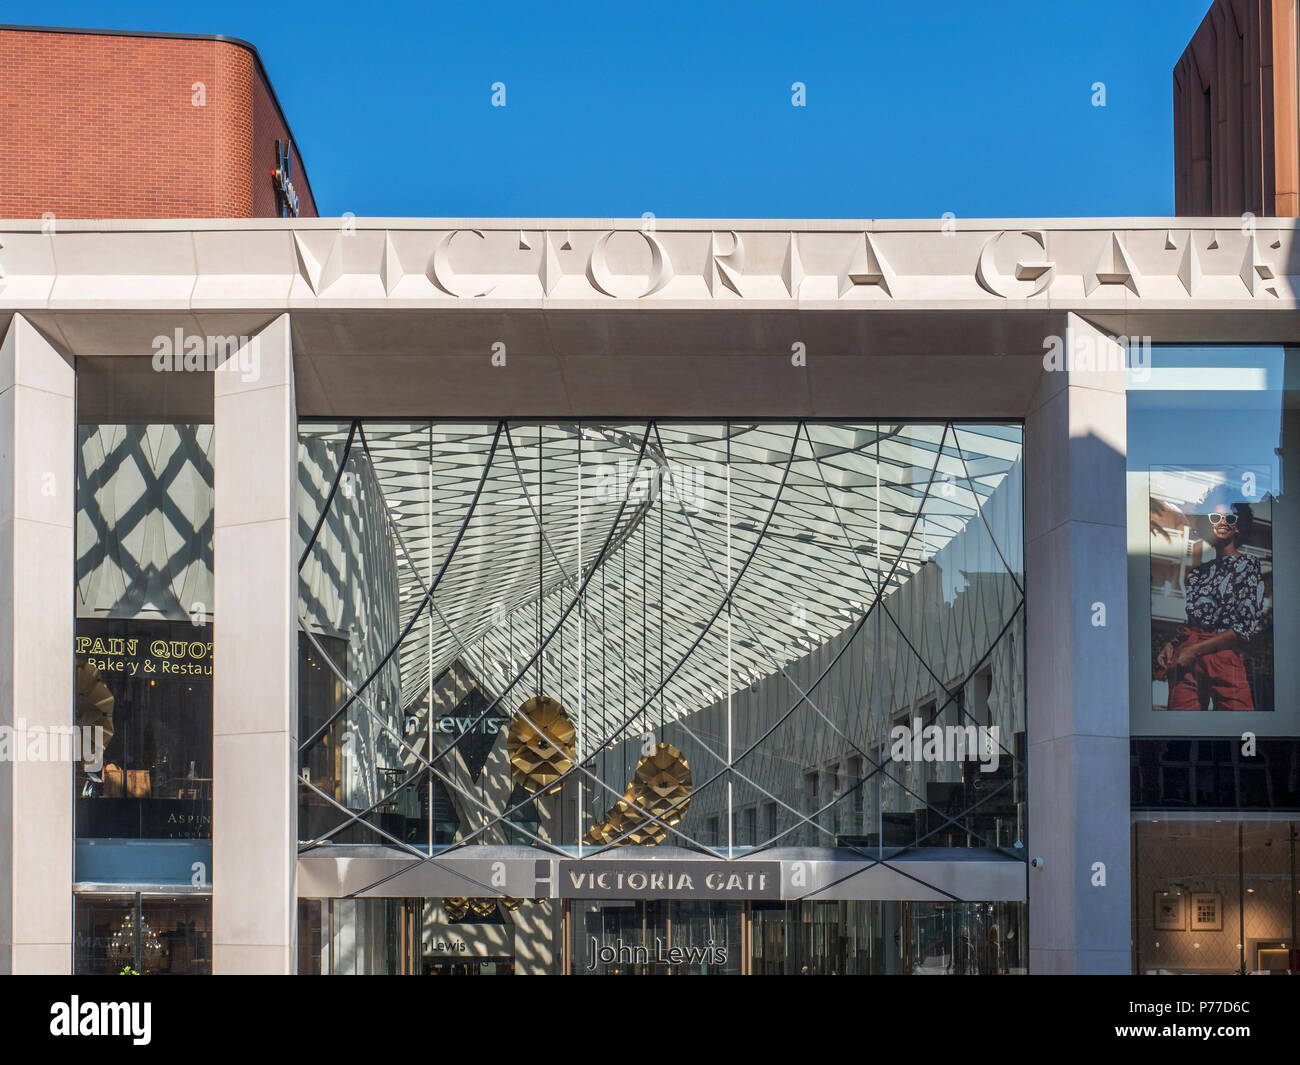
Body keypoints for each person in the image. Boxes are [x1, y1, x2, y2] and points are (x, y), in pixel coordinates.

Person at [1157, 490, 1264, 710]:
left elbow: (1244, 629)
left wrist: (1194, 651)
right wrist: (1173, 644)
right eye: (1215, 517)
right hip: (1189, 654)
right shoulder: (1198, 573)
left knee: (1237, 725)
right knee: (1182, 728)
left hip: (1224, 655)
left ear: (1239, 526)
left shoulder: (1248, 567)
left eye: (1230, 518)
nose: (1222, 522)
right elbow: (1194, 621)